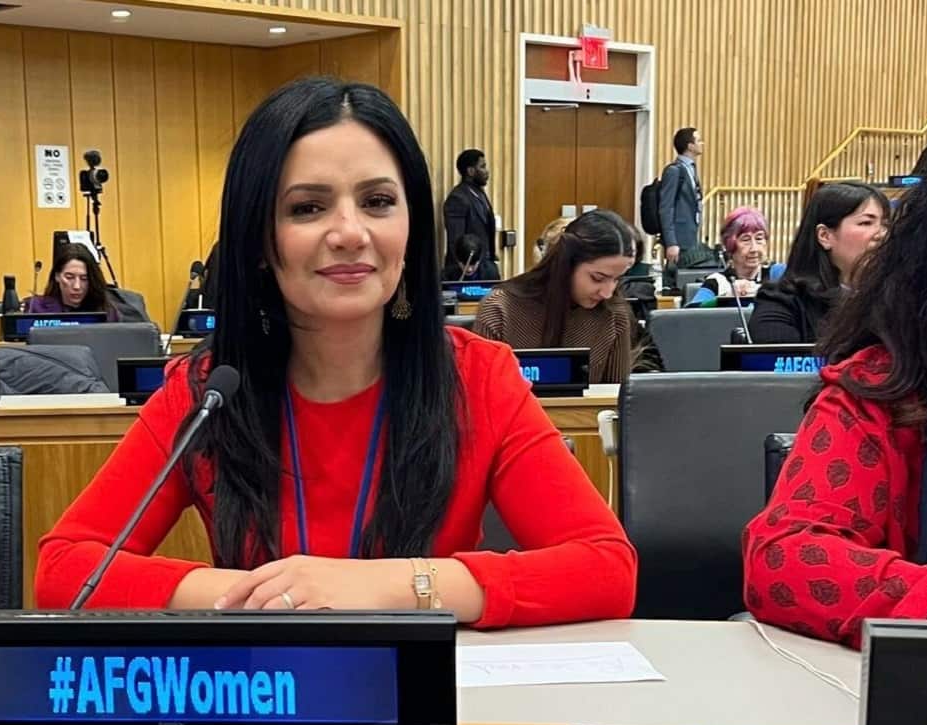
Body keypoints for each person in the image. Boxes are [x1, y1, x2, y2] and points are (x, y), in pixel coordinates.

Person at [36, 77, 636, 627]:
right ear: (260, 241)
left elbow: (607, 570)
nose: (350, 232)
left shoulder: (480, 377)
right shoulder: (205, 393)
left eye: (377, 201)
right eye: (307, 207)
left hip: (429, 708)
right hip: (264, 696)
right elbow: (66, 571)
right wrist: (270, 596)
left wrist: (385, 587)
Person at [741, 121, 927, 649]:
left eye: (882, 224)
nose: (877, 235)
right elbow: (785, 557)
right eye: (866, 223)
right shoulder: (881, 383)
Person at [473, 210, 638, 385]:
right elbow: (479, 394)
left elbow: (616, 402)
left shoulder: (614, 314)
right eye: (597, 278)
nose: (607, 292)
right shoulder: (499, 309)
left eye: (616, 279)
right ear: (566, 264)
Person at [749, 182, 888, 343]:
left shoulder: (900, 299)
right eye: (866, 223)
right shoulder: (781, 303)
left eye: (885, 224)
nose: (882, 234)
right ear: (825, 236)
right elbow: (777, 363)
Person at [685, 207, 785, 307]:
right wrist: (727, 298)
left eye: (759, 239)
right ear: (730, 245)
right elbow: (690, 312)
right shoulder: (718, 281)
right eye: (745, 240)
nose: (754, 249)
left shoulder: (777, 273)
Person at [442, 149, 498, 276]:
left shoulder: (479, 194)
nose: (487, 171)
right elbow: (455, 241)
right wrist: (467, 268)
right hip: (466, 270)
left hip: (485, 267)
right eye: (482, 167)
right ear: (471, 171)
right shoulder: (458, 198)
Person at [26, 243, 118, 319]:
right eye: (69, 277)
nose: (77, 286)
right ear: (57, 276)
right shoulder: (36, 308)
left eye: (84, 279)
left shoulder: (105, 310)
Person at [657, 127, 704, 264]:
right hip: (678, 238)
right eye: (699, 140)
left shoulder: (691, 169)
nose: (702, 144)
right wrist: (671, 242)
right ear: (690, 146)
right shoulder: (674, 171)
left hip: (690, 234)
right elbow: (666, 207)